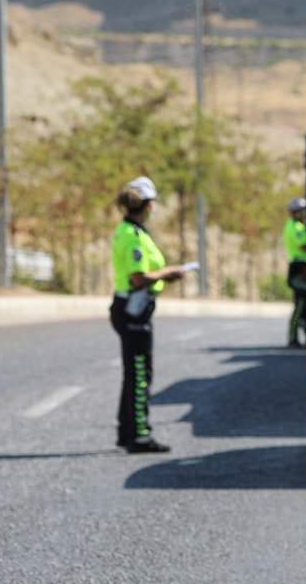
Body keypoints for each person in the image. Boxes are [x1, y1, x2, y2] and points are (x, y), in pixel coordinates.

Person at [109, 176, 185, 454]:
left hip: (133, 308)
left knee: (133, 372)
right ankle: (139, 435)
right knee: (141, 373)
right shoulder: (131, 236)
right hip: (133, 309)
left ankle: (126, 431)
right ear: (148, 206)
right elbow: (138, 278)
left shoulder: (134, 231)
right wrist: (168, 273)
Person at [283, 197, 306, 348]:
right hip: (301, 267)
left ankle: (304, 335)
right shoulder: (296, 227)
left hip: (304, 266)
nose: (303, 213)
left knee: (304, 304)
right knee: (300, 304)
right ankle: (292, 337)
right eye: (300, 211)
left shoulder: (297, 225)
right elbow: (304, 246)